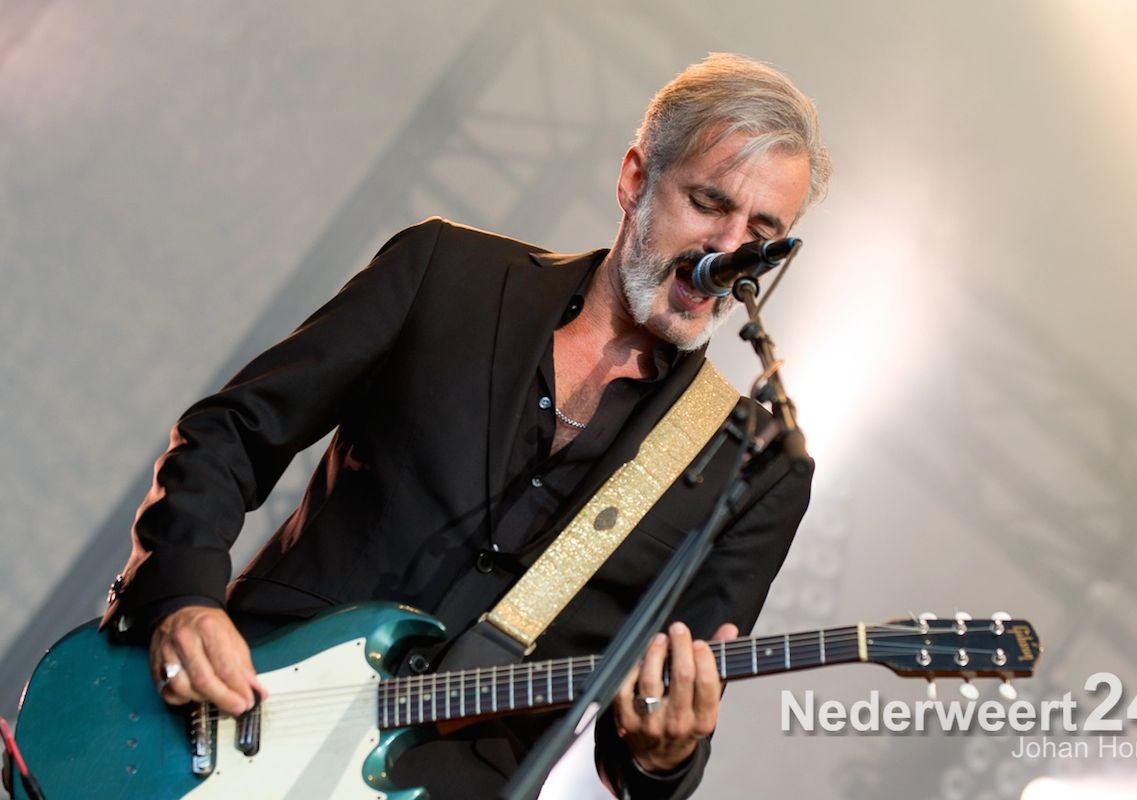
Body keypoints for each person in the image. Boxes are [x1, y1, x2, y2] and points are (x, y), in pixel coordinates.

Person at [101, 52, 830, 798]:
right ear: (635, 179)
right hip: (230, 718)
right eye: (708, 203)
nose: (729, 248)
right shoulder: (448, 273)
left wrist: (662, 754)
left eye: (762, 232)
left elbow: (653, 735)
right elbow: (232, 432)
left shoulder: (758, 468)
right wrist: (182, 598)